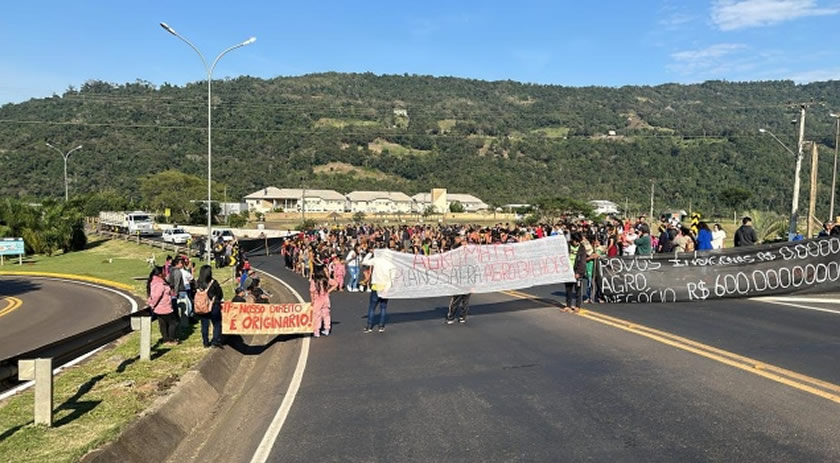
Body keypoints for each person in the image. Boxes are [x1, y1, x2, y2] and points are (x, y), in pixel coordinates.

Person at [195, 265, 224, 348]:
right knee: (217, 324)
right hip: (214, 306)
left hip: (202, 307)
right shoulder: (213, 282)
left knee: (204, 325)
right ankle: (215, 341)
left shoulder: (198, 283)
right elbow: (220, 294)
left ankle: (205, 342)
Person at [147, 266, 177, 345]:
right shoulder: (159, 283)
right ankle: (170, 339)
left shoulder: (157, 281)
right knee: (173, 323)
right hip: (164, 307)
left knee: (163, 324)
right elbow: (156, 296)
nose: (165, 273)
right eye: (164, 271)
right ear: (160, 274)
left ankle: (165, 339)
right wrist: (152, 304)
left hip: (161, 307)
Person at [564, 233, 587, 312]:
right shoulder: (567, 246)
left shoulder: (582, 248)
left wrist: (579, 272)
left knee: (578, 290)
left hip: (577, 271)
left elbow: (583, 262)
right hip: (568, 270)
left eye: (578, 241)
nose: (577, 243)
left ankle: (577, 306)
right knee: (568, 289)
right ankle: (568, 305)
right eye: (576, 241)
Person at [310, 269, 336, 337]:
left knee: (317, 315)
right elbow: (336, 284)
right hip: (326, 298)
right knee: (326, 314)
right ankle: (327, 329)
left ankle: (317, 331)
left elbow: (312, 292)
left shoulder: (314, 281)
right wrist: (328, 291)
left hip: (318, 300)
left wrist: (312, 300)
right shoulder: (326, 280)